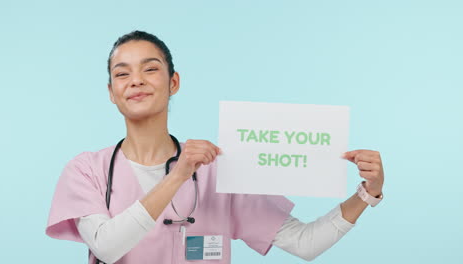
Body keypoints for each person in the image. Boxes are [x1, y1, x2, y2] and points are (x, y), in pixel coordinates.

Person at [46, 31, 385, 264]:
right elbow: (106, 247)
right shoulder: (86, 170)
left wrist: (367, 194)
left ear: (173, 82)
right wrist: (177, 177)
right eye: (122, 74)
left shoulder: (217, 173)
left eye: (150, 69)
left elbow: (305, 242)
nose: (136, 80)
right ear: (111, 92)